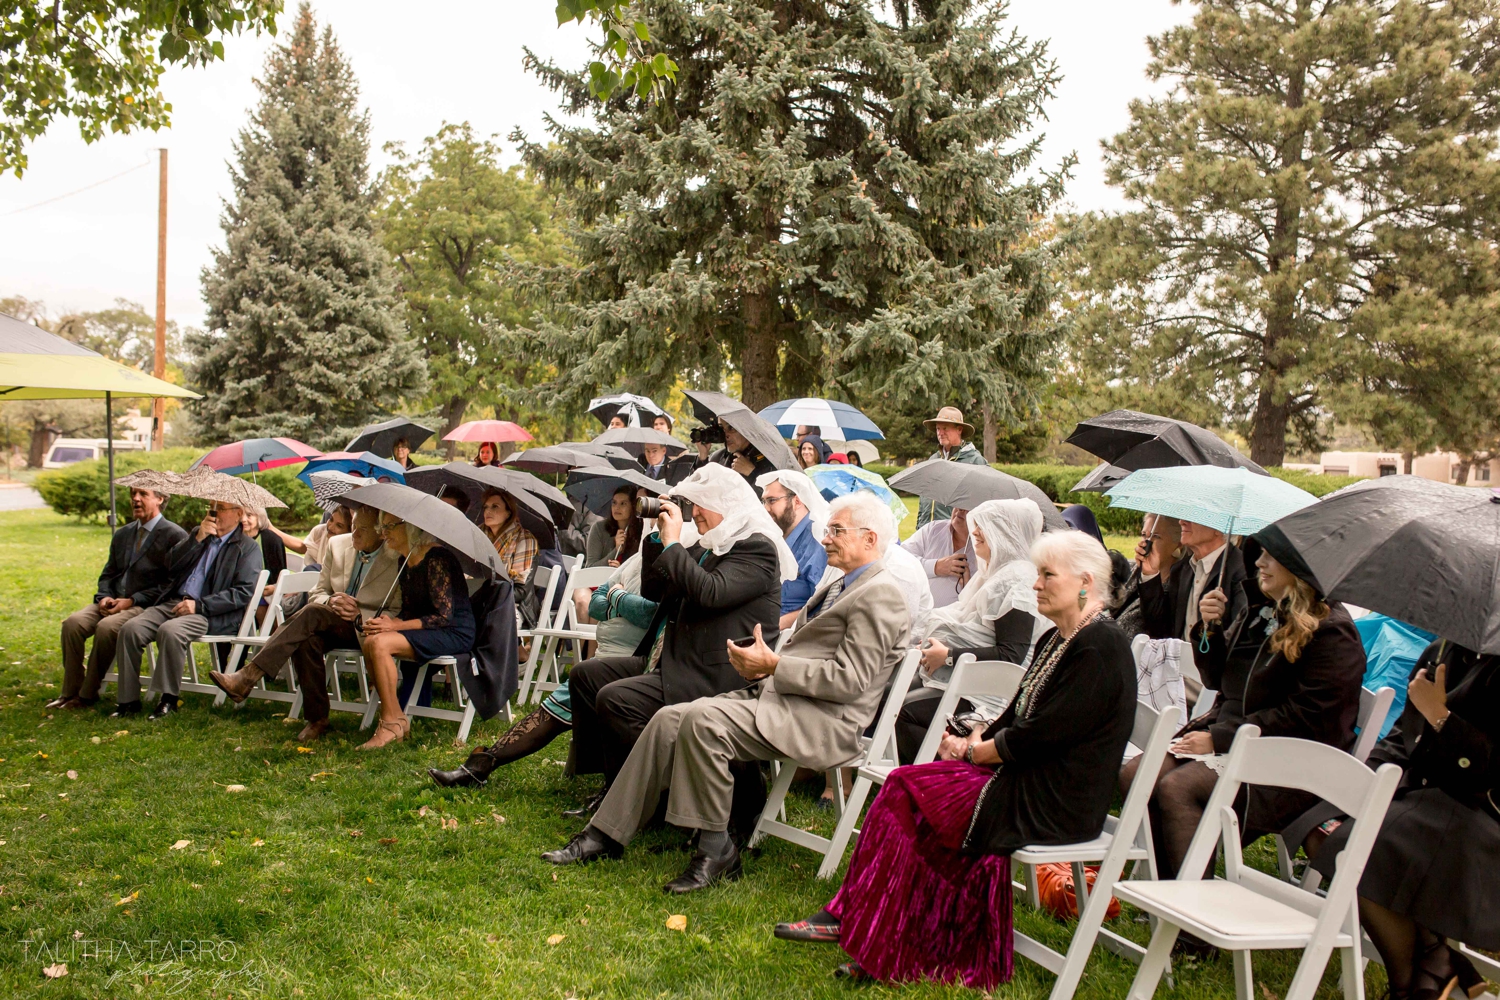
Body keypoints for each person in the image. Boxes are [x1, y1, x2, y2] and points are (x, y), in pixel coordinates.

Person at [774, 531, 1136, 987]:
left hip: (1055, 801)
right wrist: (968, 737)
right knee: (909, 788)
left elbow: (1044, 735)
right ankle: (879, 932)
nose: (1036, 584)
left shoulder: (1101, 646)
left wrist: (978, 751)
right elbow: (1013, 716)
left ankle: (864, 924)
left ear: (1085, 583)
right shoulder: (1061, 639)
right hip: (1023, 778)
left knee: (906, 790)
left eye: (1047, 575)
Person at [541, 492, 912, 893]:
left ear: (870, 539)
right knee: (668, 718)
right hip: (782, 699)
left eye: (837, 531)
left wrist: (774, 666)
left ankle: (715, 847)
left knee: (701, 720)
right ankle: (605, 834)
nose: (826, 538)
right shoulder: (841, 585)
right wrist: (764, 663)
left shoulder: (881, 594)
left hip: (821, 720)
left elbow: (849, 680)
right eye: (828, 529)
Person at [1119, 532, 1366, 888]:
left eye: (1271, 558)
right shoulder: (1263, 611)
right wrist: (1210, 630)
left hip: (1293, 763)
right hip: (1238, 737)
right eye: (1260, 554)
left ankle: (1192, 921)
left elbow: (1309, 718)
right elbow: (1219, 680)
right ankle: (1169, 888)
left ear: (1299, 570)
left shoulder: (1333, 635)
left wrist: (1219, 738)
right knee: (1138, 772)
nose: (1259, 564)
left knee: (1178, 788)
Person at [564, 463, 793, 813]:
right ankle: (615, 786)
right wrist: (657, 538)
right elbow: (658, 591)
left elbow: (710, 593)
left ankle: (646, 797)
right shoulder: (709, 547)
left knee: (616, 699)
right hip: (679, 661)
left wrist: (673, 543)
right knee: (586, 675)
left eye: (701, 504)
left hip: (716, 675)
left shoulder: (756, 549)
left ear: (727, 505)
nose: (694, 513)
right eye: (692, 504)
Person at [1305, 639, 1498, 1000]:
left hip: (1478, 814)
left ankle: (1407, 985)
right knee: (1321, 828)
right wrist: (1368, 779)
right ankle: (1434, 958)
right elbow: (1401, 735)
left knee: (1358, 849)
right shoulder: (1444, 651)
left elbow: (1488, 770)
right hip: (1417, 794)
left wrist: (1442, 717)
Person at [430, 554, 660, 788]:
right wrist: (620, 605)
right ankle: (479, 767)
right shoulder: (638, 556)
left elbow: (649, 613)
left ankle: (478, 768)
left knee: (551, 713)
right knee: (547, 712)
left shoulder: (672, 558)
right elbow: (595, 603)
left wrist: (616, 596)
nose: (651, 522)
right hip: (603, 661)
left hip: (632, 664)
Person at [208, 505, 402, 740]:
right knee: (307, 638)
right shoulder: (338, 545)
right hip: (329, 618)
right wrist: (332, 601)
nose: (354, 535)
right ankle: (317, 719)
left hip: (366, 628)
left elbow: (396, 610)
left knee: (310, 617)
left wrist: (358, 614)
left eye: (362, 529)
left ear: (380, 532)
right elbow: (317, 593)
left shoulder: (396, 557)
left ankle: (248, 676)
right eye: (353, 527)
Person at [896, 499, 1048, 764]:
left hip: (985, 693)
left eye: (985, 529)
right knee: (889, 690)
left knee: (902, 711)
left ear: (1006, 534)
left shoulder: (1018, 581)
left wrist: (949, 654)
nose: (975, 532)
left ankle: (949, 782)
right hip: (959, 678)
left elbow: (1011, 653)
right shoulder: (995, 572)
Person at [112, 500, 263, 719]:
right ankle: (128, 701)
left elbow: (243, 592)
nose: (213, 513)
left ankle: (168, 699)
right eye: (211, 508)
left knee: (171, 631)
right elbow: (170, 565)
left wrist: (199, 605)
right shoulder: (199, 534)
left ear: (238, 514)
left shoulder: (247, 548)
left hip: (210, 612)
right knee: (130, 629)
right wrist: (196, 538)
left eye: (219, 509)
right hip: (175, 602)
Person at [51, 487, 187, 710]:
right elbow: (109, 573)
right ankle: (69, 691)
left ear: (160, 499)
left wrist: (132, 600)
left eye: (143, 494)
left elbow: (170, 585)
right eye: (133, 494)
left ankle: (87, 695)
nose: (135, 499)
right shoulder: (123, 534)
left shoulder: (175, 536)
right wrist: (104, 597)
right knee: (72, 624)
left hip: (144, 605)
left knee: (107, 628)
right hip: (112, 601)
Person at [357, 512, 476, 750]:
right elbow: (410, 611)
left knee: (380, 643)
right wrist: (385, 622)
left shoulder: (436, 557)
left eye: (390, 525)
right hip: (427, 628)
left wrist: (395, 626)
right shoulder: (405, 560)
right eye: (381, 525)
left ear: (411, 527)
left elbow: (443, 616)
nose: (383, 532)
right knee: (373, 639)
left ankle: (391, 723)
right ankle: (396, 717)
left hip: (454, 632)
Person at [1137, 517, 1247, 645]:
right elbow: (1158, 629)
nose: (1181, 522)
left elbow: (1240, 639)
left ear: (1219, 526)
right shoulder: (1181, 570)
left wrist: (1215, 624)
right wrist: (1150, 574)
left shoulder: (1241, 570)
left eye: (1193, 516)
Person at [755, 470, 830, 630]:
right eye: (764, 502)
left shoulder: (817, 541)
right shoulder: (775, 535)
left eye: (772, 501)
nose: (766, 509)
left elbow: (821, 604)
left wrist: (771, 629)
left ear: (797, 501)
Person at [914, 406, 988, 528]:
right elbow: (924, 500)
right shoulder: (933, 459)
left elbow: (983, 505)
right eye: (938, 428)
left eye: (945, 428)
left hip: (954, 535)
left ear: (959, 429)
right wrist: (919, 528)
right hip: (926, 534)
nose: (940, 433)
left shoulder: (975, 461)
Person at [1113, 513, 1181, 639]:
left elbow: (1158, 628)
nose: (1146, 543)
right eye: (1144, 535)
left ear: (1177, 544)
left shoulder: (1179, 581)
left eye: (1156, 536)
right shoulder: (1134, 570)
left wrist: (1150, 575)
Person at [901, 505, 975, 608]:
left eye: (969, 505)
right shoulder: (933, 529)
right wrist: (935, 567)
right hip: (913, 614)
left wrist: (969, 587)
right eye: (959, 502)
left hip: (953, 621)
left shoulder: (984, 550)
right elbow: (900, 560)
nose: (960, 508)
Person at [479, 488, 538, 584]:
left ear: (508, 513)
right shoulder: (477, 534)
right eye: (486, 507)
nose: (487, 511)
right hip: (478, 592)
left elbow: (520, 589)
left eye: (495, 507)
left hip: (510, 596)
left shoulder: (524, 539)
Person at [240, 507, 287, 626]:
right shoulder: (234, 539)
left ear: (259, 518)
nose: (243, 519)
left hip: (266, 593)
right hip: (240, 591)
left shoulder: (271, 540)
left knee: (258, 600)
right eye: (240, 514)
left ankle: (268, 639)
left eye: (249, 515)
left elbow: (279, 575)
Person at [584, 486, 642, 568]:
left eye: (623, 504)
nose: (617, 508)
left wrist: (619, 570)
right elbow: (590, 567)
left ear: (633, 507)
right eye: (614, 502)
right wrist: (616, 550)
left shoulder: (640, 531)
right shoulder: (599, 528)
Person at [710, 419, 778, 486]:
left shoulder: (769, 459)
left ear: (746, 429)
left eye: (731, 428)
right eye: (721, 428)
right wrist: (702, 457)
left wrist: (752, 473)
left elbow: (773, 493)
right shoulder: (718, 458)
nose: (725, 434)